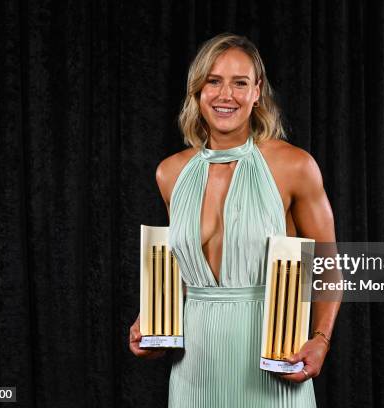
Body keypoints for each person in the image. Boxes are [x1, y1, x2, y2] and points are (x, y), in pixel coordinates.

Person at [129, 32, 340, 407]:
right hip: (194, 376)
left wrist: (320, 340)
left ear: (257, 92)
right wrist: (150, 322)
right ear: (198, 91)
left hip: (274, 367)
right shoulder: (171, 173)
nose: (226, 95)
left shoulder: (294, 166)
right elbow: (180, 270)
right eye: (214, 81)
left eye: (239, 83)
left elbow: (328, 266)